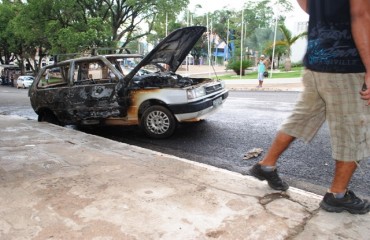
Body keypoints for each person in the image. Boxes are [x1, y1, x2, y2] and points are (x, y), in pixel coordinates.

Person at [249, 0, 370, 214]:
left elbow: (306, 5)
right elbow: (360, 15)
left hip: (316, 61)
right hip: (346, 64)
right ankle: (337, 195)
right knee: (353, 131)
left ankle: (266, 165)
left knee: (301, 118)